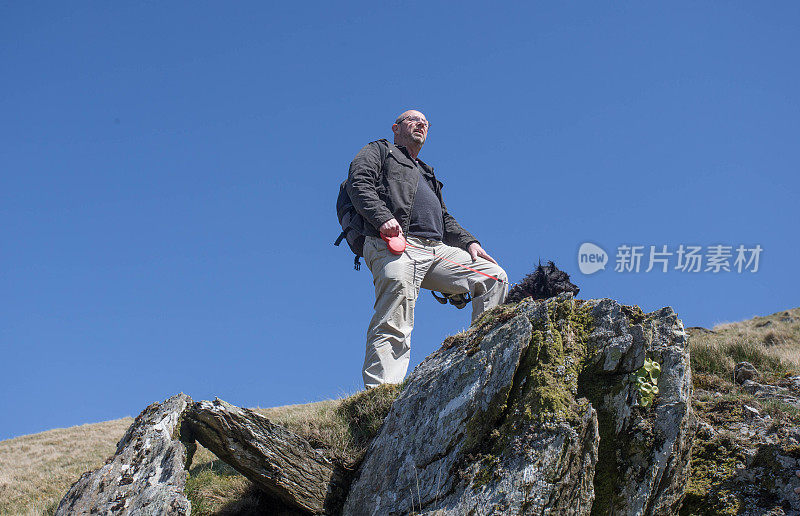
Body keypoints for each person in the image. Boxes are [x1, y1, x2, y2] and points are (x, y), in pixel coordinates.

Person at [347, 109, 508, 388]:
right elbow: (358, 182)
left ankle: (483, 365)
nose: (421, 124)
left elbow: (444, 218)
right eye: (413, 120)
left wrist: (470, 242)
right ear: (396, 128)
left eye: (426, 122)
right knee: (396, 304)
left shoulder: (427, 173)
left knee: (494, 277)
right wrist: (383, 218)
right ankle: (381, 391)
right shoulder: (379, 150)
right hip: (394, 245)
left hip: (436, 249)